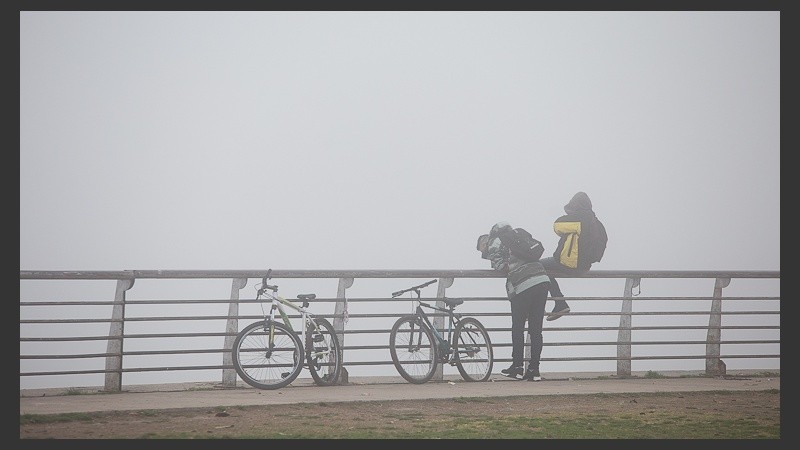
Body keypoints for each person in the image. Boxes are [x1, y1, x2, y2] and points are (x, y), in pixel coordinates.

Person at [476, 222, 550, 381]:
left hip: (523, 285)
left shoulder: (495, 242)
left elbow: (501, 266)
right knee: (536, 329)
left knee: (518, 327)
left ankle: (517, 368)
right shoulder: (518, 235)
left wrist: (502, 262)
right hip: (542, 280)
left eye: (481, 245)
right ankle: (534, 370)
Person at [541, 191, 599, 321]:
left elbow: (557, 226)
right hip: (584, 265)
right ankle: (559, 303)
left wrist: (570, 213)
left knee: (536, 267)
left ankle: (549, 305)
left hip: (570, 263)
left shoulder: (580, 218)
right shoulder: (594, 221)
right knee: (545, 272)